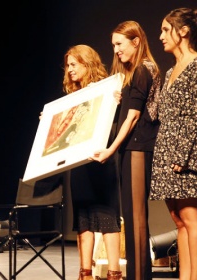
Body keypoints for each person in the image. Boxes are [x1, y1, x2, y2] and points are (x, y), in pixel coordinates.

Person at [149, 7, 197, 280]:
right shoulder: (169, 72)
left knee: (192, 219)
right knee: (179, 221)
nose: (161, 36)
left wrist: (183, 156)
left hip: (184, 153)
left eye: (166, 30)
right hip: (166, 151)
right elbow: (157, 113)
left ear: (183, 31)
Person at [91, 21, 161, 280]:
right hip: (131, 150)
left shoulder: (144, 69)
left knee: (136, 219)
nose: (116, 50)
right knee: (131, 219)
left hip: (137, 149)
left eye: (120, 44)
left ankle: (139, 277)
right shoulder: (134, 72)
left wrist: (110, 150)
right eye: (113, 45)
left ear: (136, 41)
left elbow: (133, 117)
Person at [59, 44, 123, 280]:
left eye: (74, 64)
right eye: (68, 65)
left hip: (103, 162)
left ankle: (114, 273)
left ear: (87, 64)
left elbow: (115, 123)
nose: (70, 70)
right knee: (83, 219)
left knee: (108, 217)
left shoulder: (108, 89)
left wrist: (115, 101)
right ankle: (85, 272)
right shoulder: (72, 97)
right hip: (80, 165)